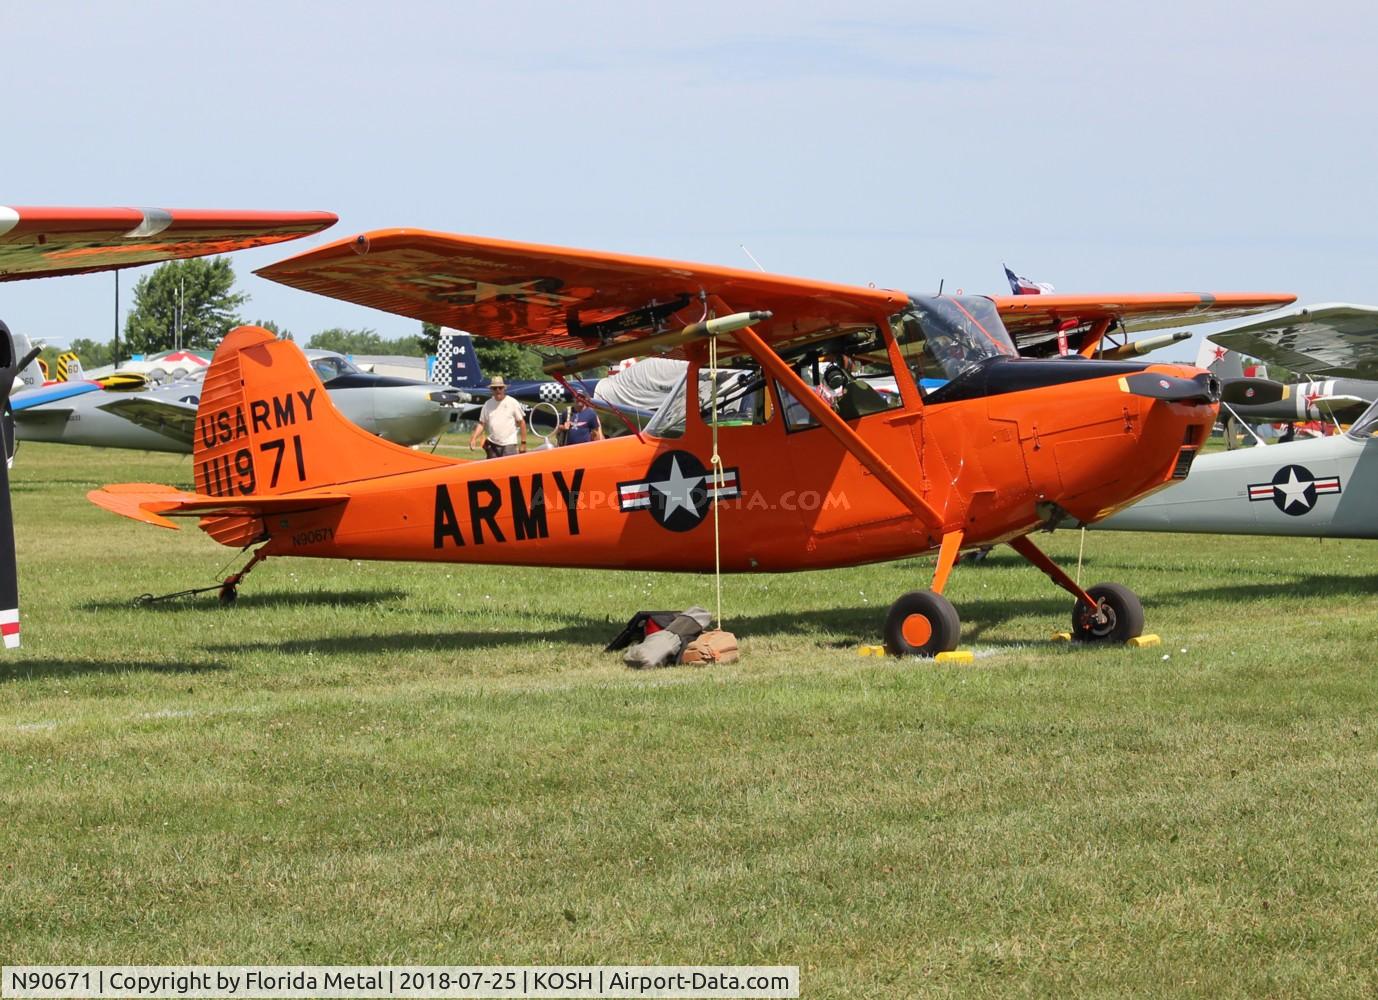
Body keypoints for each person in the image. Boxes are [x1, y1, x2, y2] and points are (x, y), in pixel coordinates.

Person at [469, 375, 527, 458]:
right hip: (492, 445)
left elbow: (522, 423)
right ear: (491, 390)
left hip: (509, 445)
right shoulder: (488, 404)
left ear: (504, 388)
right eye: (495, 388)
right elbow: (482, 423)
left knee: (509, 470)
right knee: (492, 470)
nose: (498, 390)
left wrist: (523, 443)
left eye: (500, 388)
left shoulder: (512, 402)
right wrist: (473, 438)